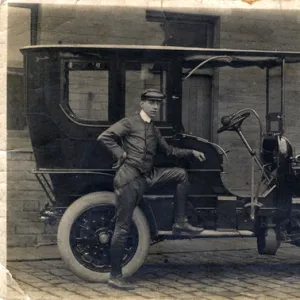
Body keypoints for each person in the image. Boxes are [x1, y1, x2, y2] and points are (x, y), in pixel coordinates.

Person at [97, 88, 206, 290]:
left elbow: (169, 151)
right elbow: (105, 137)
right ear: (142, 104)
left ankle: (180, 222)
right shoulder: (129, 122)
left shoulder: (153, 128)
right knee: (123, 227)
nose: (155, 107)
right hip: (129, 179)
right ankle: (115, 276)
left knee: (181, 174)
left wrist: (191, 151)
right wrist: (120, 154)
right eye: (151, 103)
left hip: (148, 176)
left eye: (158, 103)